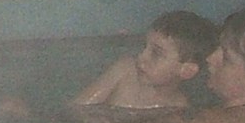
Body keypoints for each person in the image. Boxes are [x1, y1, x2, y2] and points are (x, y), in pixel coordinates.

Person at [68, 10, 219, 113]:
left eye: (156, 53)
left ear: (186, 71)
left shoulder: (177, 108)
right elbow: (77, 108)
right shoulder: (125, 70)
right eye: (144, 46)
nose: (141, 57)